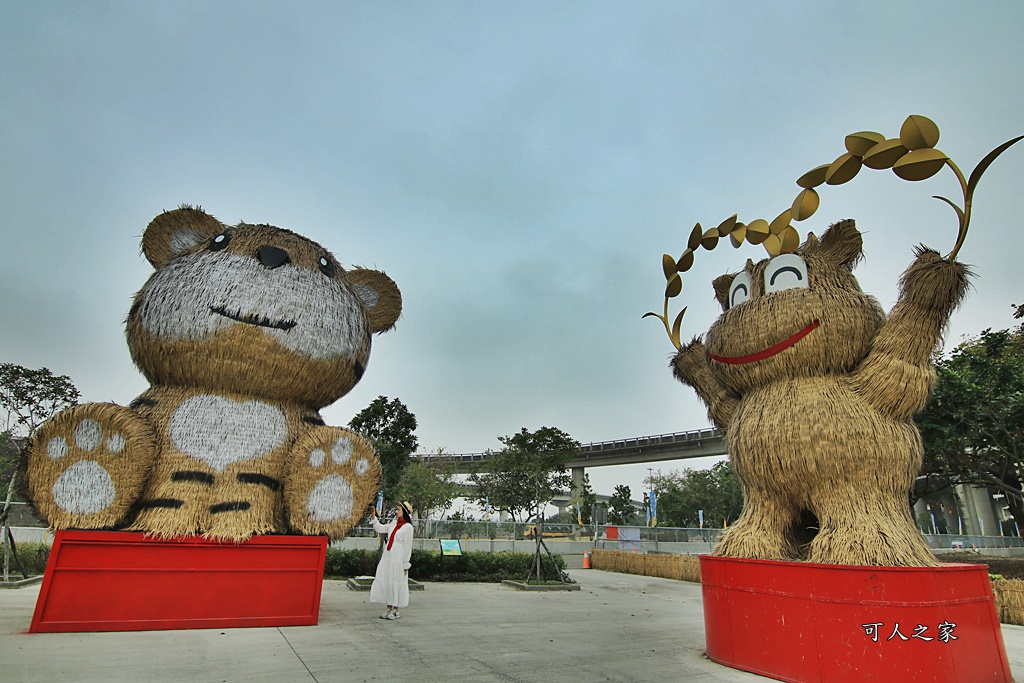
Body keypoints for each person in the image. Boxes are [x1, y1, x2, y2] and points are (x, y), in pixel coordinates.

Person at [370, 501, 414, 620]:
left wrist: (405, 563)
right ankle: (389, 607)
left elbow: (407, 547)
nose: (396, 511)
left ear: (404, 512)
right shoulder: (393, 523)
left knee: (397, 581)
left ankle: (396, 610)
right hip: (388, 556)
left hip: (398, 558)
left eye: (398, 510)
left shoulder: (408, 527)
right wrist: (373, 517)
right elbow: (380, 528)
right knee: (388, 580)